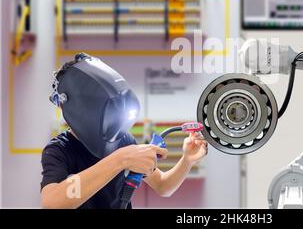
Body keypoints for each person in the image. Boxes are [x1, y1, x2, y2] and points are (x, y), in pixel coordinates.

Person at [40, 53, 207, 209]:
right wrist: (120, 160)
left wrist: (187, 160)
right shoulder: (60, 149)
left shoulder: (121, 139)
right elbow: (52, 201)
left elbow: (163, 186)